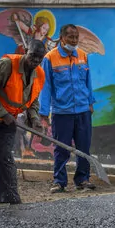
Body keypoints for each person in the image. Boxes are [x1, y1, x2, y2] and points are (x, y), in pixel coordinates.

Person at [0, 39, 46, 208]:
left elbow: (32, 100)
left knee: (5, 156)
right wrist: (2, 114)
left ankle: (10, 196)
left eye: (39, 58)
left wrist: (34, 119)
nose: (35, 61)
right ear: (25, 51)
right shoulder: (7, 64)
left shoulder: (39, 74)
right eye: (33, 56)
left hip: (8, 118)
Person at [39, 24, 97, 193]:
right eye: (70, 37)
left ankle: (82, 179)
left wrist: (90, 103)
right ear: (62, 37)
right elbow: (46, 87)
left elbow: (88, 82)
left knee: (84, 147)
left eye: (75, 37)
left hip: (82, 111)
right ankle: (59, 181)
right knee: (61, 148)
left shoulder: (83, 56)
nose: (73, 40)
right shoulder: (50, 58)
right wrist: (43, 113)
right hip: (61, 112)